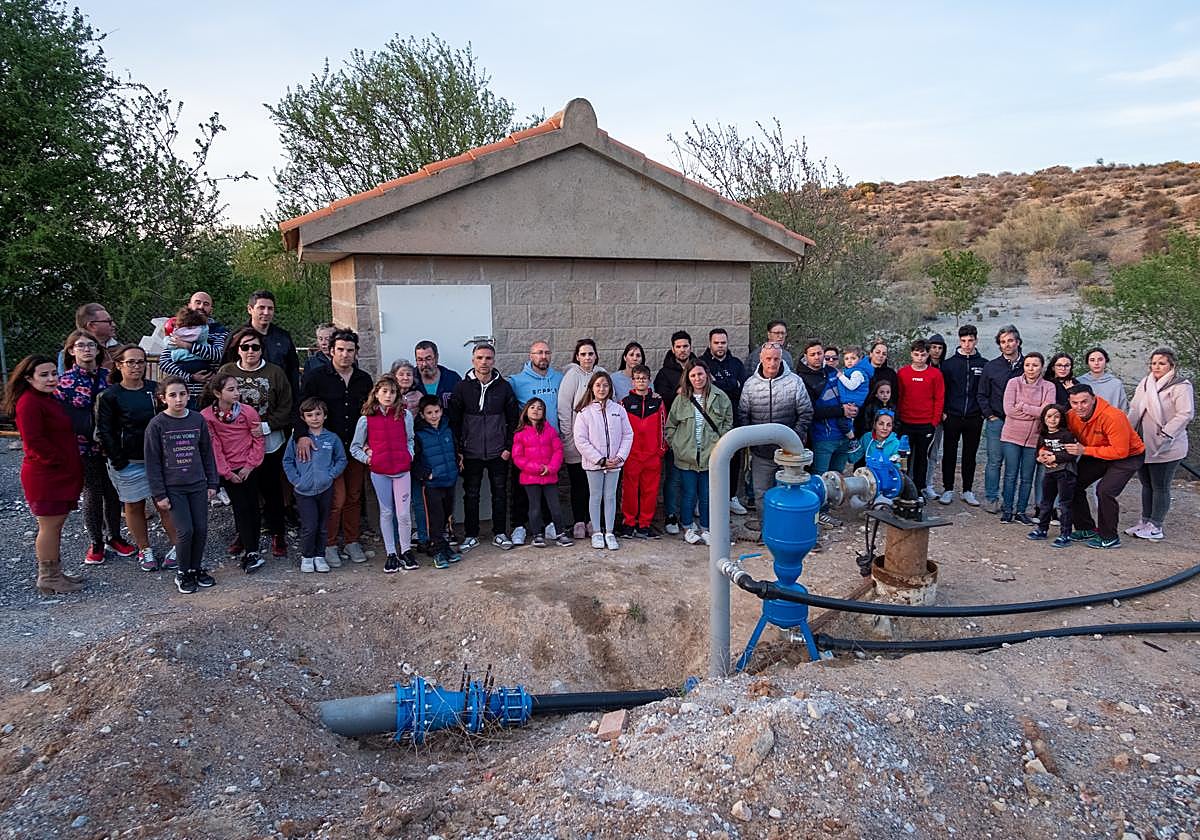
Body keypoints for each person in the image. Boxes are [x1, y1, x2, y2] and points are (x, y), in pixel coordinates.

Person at [7, 355, 86, 594]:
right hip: (47, 475)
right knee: (49, 526)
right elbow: (34, 442)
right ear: (28, 378)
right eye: (44, 375)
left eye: (54, 373)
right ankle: (48, 577)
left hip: (59, 472)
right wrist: (58, 461)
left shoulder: (46, 398)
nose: (51, 379)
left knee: (56, 525)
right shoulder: (29, 403)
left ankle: (55, 572)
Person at [96, 345, 179, 572]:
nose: (136, 366)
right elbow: (104, 431)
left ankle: (179, 546)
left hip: (159, 459)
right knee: (134, 506)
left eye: (141, 361)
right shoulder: (109, 396)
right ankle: (144, 549)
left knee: (166, 504)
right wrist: (118, 460)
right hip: (128, 461)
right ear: (119, 365)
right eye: (130, 362)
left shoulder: (155, 390)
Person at [55, 330, 135, 563]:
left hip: (109, 444)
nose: (87, 349)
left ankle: (114, 537)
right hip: (82, 446)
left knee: (113, 491)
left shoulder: (108, 377)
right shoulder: (64, 382)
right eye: (81, 345)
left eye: (91, 345)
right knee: (92, 492)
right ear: (71, 351)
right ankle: (96, 541)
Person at [293, 329, 371, 566]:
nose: (345, 355)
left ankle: (352, 540)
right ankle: (328, 544)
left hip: (355, 446)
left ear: (356, 352)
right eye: (340, 350)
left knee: (354, 496)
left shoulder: (364, 379)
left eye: (350, 350)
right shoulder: (316, 377)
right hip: (326, 449)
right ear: (331, 351)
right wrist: (302, 436)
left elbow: (369, 413)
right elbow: (301, 407)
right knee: (336, 498)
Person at [218, 328, 293, 561]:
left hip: (269, 439)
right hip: (236, 443)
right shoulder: (227, 371)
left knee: (271, 489)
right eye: (245, 346)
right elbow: (216, 401)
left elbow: (286, 406)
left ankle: (277, 532)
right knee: (243, 492)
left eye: (255, 347)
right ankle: (244, 533)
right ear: (237, 349)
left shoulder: (275, 372)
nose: (250, 351)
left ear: (262, 349)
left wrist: (267, 426)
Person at [144, 377, 219, 594]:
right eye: (172, 395)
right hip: (173, 487)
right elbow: (152, 462)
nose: (178, 399)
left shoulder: (197, 419)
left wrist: (212, 482)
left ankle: (196, 568)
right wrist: (159, 493)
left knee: (201, 529)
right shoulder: (157, 424)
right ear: (163, 398)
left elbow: (207, 453)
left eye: (182, 394)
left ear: (188, 395)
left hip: (198, 484)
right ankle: (183, 572)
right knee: (185, 531)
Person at [449, 343, 520, 552]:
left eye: (488, 358)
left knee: (500, 493)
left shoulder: (504, 387)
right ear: (473, 360)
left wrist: (508, 447)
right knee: (471, 494)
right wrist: (459, 450)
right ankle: (471, 535)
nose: (484, 362)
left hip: (499, 452)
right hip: (471, 452)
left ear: (494, 361)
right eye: (479, 358)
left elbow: (513, 419)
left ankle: (500, 533)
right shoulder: (462, 387)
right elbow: (454, 421)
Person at [1063, 384, 1146, 549]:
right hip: (1097, 452)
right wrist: (1045, 452)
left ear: (1093, 399)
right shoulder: (1071, 416)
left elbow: (1120, 451)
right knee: (1071, 482)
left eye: (1084, 402)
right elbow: (1057, 435)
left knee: (1105, 491)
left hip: (1128, 456)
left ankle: (1109, 537)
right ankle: (1085, 528)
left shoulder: (1113, 416)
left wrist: (1085, 450)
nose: (1079, 407)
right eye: (1075, 403)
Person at [351, 375, 418, 573]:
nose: (388, 396)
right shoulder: (366, 419)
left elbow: (410, 439)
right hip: (380, 472)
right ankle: (391, 553)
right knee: (387, 512)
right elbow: (355, 447)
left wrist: (409, 456)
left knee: (403, 514)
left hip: (402, 471)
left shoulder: (405, 415)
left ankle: (406, 550)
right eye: (384, 391)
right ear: (377, 393)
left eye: (393, 392)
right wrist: (369, 460)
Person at [1126, 347, 1194, 541]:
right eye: (1154, 363)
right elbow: (1135, 408)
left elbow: (1185, 413)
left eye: (1162, 363)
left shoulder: (1181, 386)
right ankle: (1145, 521)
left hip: (1167, 444)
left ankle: (1156, 525)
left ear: (1171, 365)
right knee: (1146, 484)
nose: (1156, 367)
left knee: (1160, 485)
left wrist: (1166, 433)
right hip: (1143, 442)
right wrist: (1127, 431)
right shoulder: (1146, 383)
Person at [201, 373, 267, 574]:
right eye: (231, 390)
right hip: (228, 469)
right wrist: (227, 473)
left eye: (237, 388)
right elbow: (214, 446)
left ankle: (252, 548)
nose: (237, 393)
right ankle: (249, 548)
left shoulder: (248, 412)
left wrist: (250, 466)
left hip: (249, 467)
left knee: (253, 506)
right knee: (241, 507)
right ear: (217, 393)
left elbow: (258, 440)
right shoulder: (207, 416)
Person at [739, 343, 813, 511]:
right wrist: (752, 442)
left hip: (789, 453)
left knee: (788, 494)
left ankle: (786, 525)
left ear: (781, 359)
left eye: (776, 359)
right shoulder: (750, 384)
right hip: (761, 453)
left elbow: (806, 412)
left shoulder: (795, 382)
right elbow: (743, 415)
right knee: (760, 494)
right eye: (768, 359)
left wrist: (794, 437)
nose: (772, 363)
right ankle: (765, 525)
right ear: (761, 359)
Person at [667, 360, 733, 546]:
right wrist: (677, 446)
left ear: (707, 374)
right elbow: (670, 425)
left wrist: (721, 445)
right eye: (693, 375)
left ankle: (706, 528)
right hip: (687, 456)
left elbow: (728, 423)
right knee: (688, 494)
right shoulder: (681, 399)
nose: (697, 378)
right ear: (688, 378)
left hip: (711, 455)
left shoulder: (720, 397)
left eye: (700, 374)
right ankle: (688, 527)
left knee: (706, 494)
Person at [508, 340, 564, 545]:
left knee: (549, 491)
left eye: (547, 352)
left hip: (550, 443)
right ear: (530, 356)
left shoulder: (559, 378)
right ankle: (519, 526)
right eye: (539, 353)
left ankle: (549, 525)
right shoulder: (516, 381)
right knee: (523, 492)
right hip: (527, 447)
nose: (543, 356)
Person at [283, 397, 347, 574]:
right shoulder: (297, 439)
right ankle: (307, 556)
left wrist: (330, 475)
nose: (314, 418)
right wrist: (296, 480)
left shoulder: (332, 438)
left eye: (318, 414)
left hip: (325, 488)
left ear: (325, 416)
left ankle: (320, 556)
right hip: (304, 491)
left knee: (323, 525)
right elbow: (287, 461)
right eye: (309, 415)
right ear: (303, 418)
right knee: (309, 526)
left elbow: (341, 459)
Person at [573, 371, 633, 550]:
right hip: (595, 464)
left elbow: (628, 434)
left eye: (605, 385)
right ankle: (597, 532)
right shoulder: (584, 413)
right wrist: (599, 459)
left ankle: (610, 532)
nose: (602, 389)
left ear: (610, 388)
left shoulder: (618, 410)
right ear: (591, 387)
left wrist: (619, 457)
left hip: (614, 463)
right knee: (595, 496)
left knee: (610, 496)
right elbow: (581, 440)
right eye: (598, 385)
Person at [558, 338, 606, 539]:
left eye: (590, 353)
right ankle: (579, 520)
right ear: (577, 357)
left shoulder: (601, 373)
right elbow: (563, 407)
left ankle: (593, 521)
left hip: (599, 443)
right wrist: (569, 437)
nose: (587, 357)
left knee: (596, 485)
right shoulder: (572, 376)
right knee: (579, 483)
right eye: (583, 354)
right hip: (576, 442)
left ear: (596, 355)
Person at [999, 353, 1055, 524]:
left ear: (1042, 367)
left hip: (1034, 438)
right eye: (1028, 365)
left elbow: (1046, 412)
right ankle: (1007, 509)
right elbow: (1009, 410)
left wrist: (1023, 406)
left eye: (1035, 365)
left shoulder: (1049, 387)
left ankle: (1021, 511)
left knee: (1027, 477)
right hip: (1011, 436)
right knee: (1010, 474)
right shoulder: (1013, 383)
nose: (1031, 369)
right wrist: (1035, 411)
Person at [511, 398, 575, 548]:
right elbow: (518, 457)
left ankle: (560, 534)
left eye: (540, 408)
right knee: (535, 508)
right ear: (526, 411)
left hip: (549, 476)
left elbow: (558, 451)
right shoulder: (520, 433)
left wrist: (551, 468)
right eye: (532, 407)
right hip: (530, 477)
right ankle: (537, 535)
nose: (536, 410)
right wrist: (537, 468)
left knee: (555, 507)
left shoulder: (550, 430)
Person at [977, 325, 1024, 514]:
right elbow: (982, 394)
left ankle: (1008, 501)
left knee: (1013, 465)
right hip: (997, 420)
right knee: (994, 461)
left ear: (1018, 342)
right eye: (1003, 342)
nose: (1007, 344)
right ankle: (991, 498)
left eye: (1010, 340)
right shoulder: (991, 366)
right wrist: (990, 415)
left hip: (1020, 423)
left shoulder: (1028, 365)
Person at [937, 325, 986, 506]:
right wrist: (943, 411)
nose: (967, 344)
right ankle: (948, 489)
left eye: (970, 340)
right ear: (959, 341)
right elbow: (942, 391)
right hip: (952, 416)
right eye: (963, 340)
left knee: (970, 455)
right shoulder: (948, 364)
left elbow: (985, 391)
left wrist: (982, 412)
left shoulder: (984, 364)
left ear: (976, 340)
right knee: (949, 453)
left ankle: (967, 490)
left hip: (974, 417)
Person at [700, 328, 747, 515]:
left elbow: (742, 389)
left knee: (734, 460)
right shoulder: (702, 364)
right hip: (708, 422)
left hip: (734, 420)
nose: (720, 346)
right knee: (709, 460)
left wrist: (719, 384)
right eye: (716, 343)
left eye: (723, 343)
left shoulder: (736, 364)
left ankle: (731, 497)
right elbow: (705, 389)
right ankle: (706, 500)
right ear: (710, 343)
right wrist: (731, 385)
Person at [654, 331, 696, 535]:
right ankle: (671, 514)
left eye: (685, 346)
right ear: (673, 349)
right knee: (673, 476)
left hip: (696, 430)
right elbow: (662, 400)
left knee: (693, 475)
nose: (682, 350)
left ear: (690, 347)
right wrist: (678, 392)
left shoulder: (698, 368)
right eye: (678, 346)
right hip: (675, 431)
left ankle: (688, 515)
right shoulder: (664, 373)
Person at [413, 395, 462, 569]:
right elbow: (414, 459)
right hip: (432, 484)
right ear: (422, 414)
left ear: (442, 411)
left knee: (446, 515)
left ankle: (444, 546)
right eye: (429, 413)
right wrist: (426, 474)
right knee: (435, 518)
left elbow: (454, 450)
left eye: (437, 411)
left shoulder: (447, 428)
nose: (434, 416)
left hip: (449, 479)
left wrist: (456, 466)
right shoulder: (418, 434)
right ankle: (436, 551)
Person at [619, 365, 668, 539]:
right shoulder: (624, 403)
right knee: (629, 491)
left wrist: (660, 450)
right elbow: (620, 429)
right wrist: (623, 453)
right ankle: (628, 523)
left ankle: (644, 525)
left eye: (644, 378)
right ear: (632, 381)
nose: (641, 381)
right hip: (631, 456)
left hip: (652, 455)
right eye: (637, 378)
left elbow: (663, 427)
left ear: (649, 381)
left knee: (650, 491)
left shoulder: (658, 402)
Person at [159, 291, 229, 404]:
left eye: (206, 304)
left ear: (211, 309)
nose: (201, 307)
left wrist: (187, 346)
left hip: (208, 393)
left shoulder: (220, 332)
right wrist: (190, 377)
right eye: (197, 302)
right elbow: (164, 362)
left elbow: (217, 354)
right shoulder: (179, 329)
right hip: (181, 395)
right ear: (189, 305)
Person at [800, 340, 855, 482]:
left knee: (837, 479)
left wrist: (853, 407)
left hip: (844, 435)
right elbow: (811, 411)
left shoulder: (832, 371)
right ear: (806, 356)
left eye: (819, 353)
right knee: (819, 478)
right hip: (823, 438)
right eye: (812, 354)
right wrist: (841, 411)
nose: (817, 357)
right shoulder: (802, 379)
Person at [896, 339, 944, 498]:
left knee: (922, 458)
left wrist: (934, 421)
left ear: (928, 354)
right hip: (906, 422)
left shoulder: (935, 374)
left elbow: (939, 398)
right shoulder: (903, 373)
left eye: (923, 355)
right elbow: (899, 396)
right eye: (916, 354)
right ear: (911, 354)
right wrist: (898, 419)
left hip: (926, 423)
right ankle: (903, 488)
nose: (919, 358)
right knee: (904, 457)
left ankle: (919, 490)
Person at [390, 358, 429, 551]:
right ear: (394, 376)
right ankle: (397, 540)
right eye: (401, 374)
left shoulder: (419, 396)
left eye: (409, 374)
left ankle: (423, 537)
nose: (405, 377)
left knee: (418, 499)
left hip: (416, 453)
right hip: (394, 454)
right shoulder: (388, 396)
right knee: (396, 502)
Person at [1028, 405, 1078, 548]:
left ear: (1061, 418)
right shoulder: (1043, 435)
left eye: (1056, 416)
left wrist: (1055, 457)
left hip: (1065, 472)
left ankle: (1065, 534)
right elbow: (1038, 452)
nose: (1052, 419)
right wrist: (1041, 459)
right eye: (1049, 416)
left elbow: (1072, 454)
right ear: (1044, 418)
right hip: (1049, 472)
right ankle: (1042, 529)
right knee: (1046, 502)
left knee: (1064, 504)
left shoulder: (1066, 435)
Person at [243, 290, 300, 397]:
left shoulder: (283, 337)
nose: (266, 312)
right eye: (261, 308)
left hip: (280, 398)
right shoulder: (238, 338)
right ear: (250, 309)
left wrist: (295, 400)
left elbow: (293, 371)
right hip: (247, 399)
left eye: (270, 308)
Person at [59, 303, 118, 372]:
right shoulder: (67, 354)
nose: (114, 325)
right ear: (91, 325)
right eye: (108, 321)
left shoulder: (120, 349)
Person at [835, 345, 874, 449]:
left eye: (853, 358)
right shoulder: (850, 371)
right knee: (847, 422)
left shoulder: (857, 372)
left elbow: (851, 386)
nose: (849, 361)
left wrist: (841, 376)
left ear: (860, 359)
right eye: (847, 358)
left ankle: (853, 440)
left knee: (843, 422)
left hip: (852, 402)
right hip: (850, 401)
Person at [1077, 347, 1128, 411]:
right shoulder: (1079, 382)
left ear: (1106, 361)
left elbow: (1123, 408)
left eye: (1100, 360)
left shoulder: (1116, 384)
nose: (1096, 363)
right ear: (1088, 362)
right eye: (1092, 360)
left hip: (1111, 416)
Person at [414, 340, 462, 407]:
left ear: (436, 358)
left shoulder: (453, 379)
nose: (424, 364)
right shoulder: (410, 380)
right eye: (420, 360)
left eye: (428, 359)